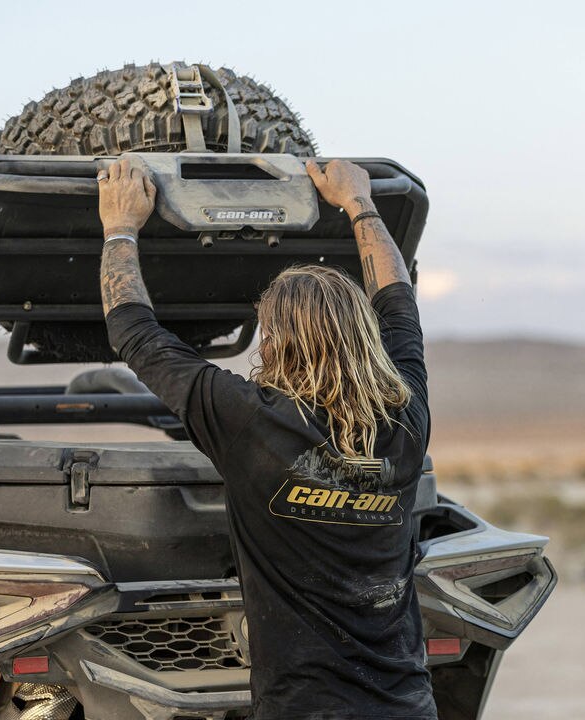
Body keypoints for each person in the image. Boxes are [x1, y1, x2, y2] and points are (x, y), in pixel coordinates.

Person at [98, 156, 435, 719]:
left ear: (276, 343)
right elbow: (398, 302)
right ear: (365, 334)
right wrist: (361, 203)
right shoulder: (407, 419)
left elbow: (134, 331)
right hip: (408, 706)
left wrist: (120, 226)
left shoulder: (250, 422)